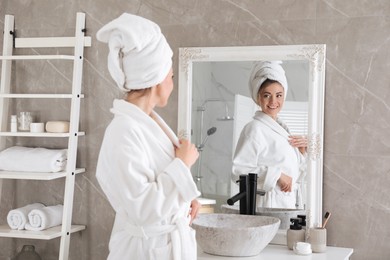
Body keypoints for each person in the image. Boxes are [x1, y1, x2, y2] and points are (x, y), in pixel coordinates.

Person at [95, 13, 201, 260]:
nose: (173, 84)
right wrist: (183, 164)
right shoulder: (122, 131)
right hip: (143, 251)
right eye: (171, 76)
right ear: (156, 78)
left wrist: (186, 199)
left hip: (162, 244)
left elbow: (158, 182)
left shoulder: (148, 123)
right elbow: (142, 207)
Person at [232, 61, 307, 209]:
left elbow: (292, 177)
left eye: (279, 95)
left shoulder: (282, 130)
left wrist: (302, 154)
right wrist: (277, 175)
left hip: (285, 205)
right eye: (267, 95)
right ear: (258, 97)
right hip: (266, 207)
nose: (274, 101)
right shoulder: (254, 129)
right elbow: (238, 171)